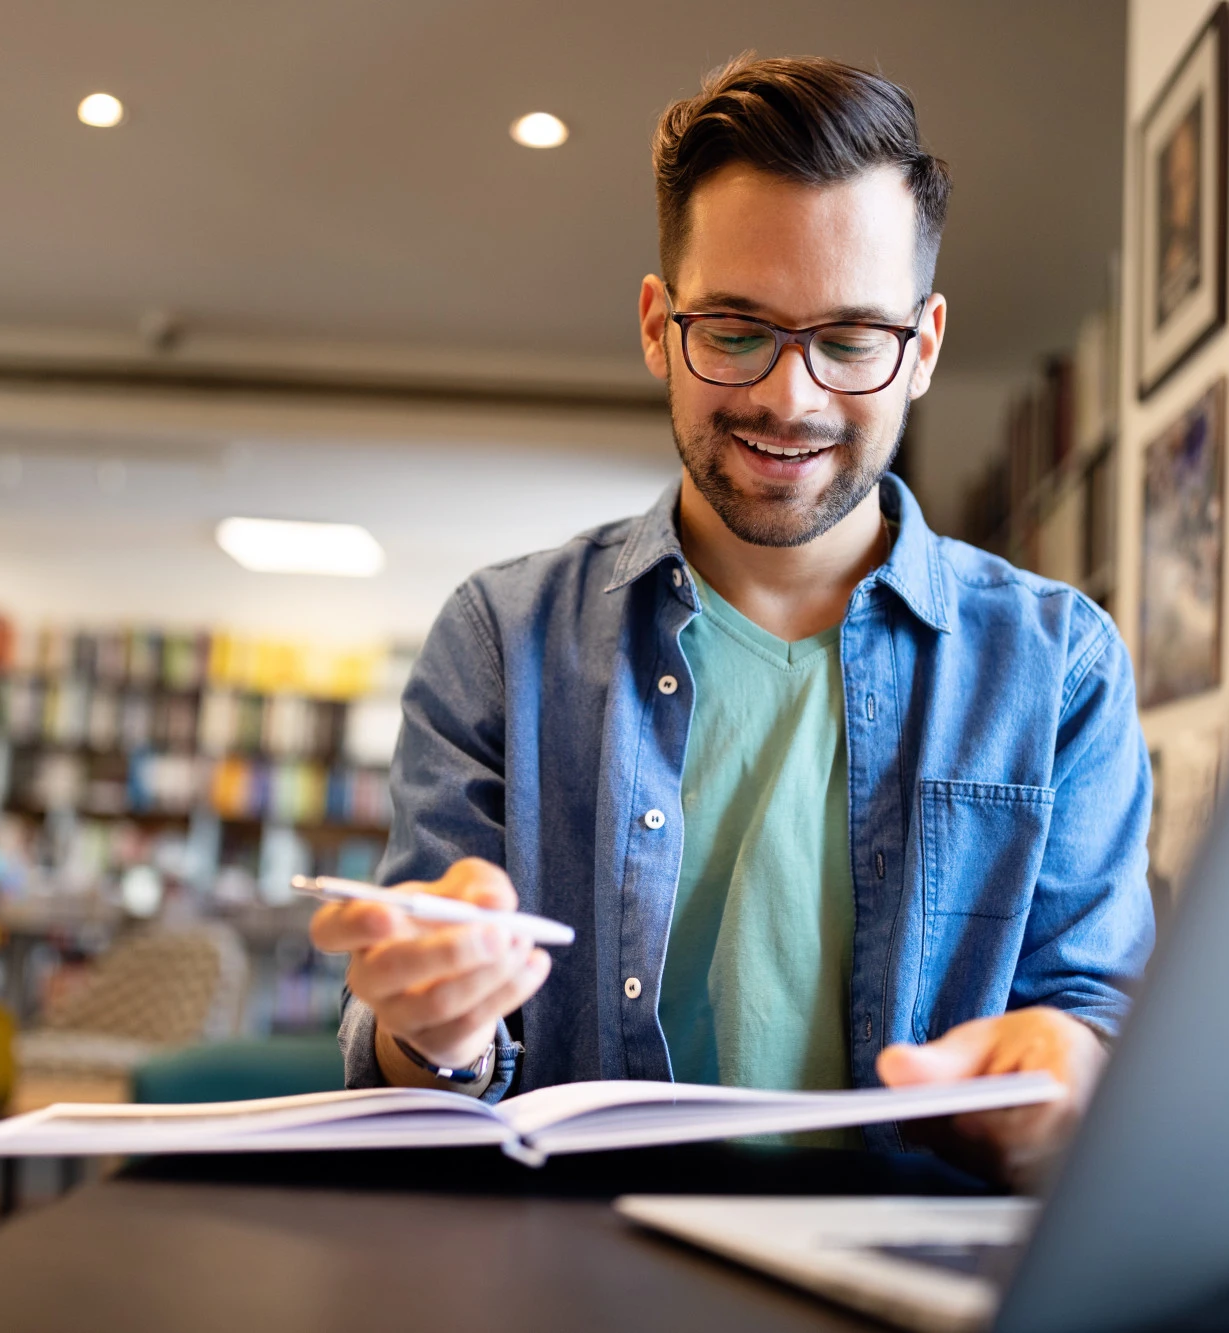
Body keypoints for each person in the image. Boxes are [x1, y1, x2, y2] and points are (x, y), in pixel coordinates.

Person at [311, 54, 1152, 1179]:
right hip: (573, 1270)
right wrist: (438, 1028)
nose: (788, 398)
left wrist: (1064, 1082)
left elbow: (1093, 1021)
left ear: (924, 349)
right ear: (658, 325)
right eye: (736, 330)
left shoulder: (1059, 666)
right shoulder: (498, 638)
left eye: (849, 340)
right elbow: (412, 1077)